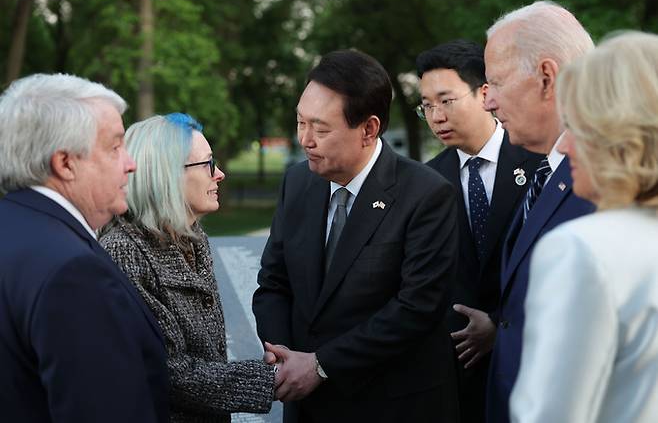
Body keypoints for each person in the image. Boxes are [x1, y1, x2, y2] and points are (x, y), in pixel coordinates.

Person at [252, 49, 459, 423]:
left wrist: (319, 366)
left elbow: (415, 309)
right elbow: (273, 283)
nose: (305, 139)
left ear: (369, 129)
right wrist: (283, 356)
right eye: (300, 122)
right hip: (307, 406)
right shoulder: (298, 183)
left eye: (320, 127)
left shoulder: (427, 195)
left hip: (391, 405)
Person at [0, 74, 169, 422]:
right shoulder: (72, 272)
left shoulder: (15, 227)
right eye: (114, 147)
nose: (131, 163)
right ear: (65, 164)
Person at [511, 30, 658, 423]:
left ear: (620, 134)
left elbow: (549, 414)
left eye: (578, 125)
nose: (563, 146)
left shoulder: (583, 249)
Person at [100, 113, 276, 423]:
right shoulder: (123, 250)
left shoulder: (191, 236)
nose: (219, 174)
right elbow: (169, 372)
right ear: (167, 174)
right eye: (208, 164)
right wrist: (271, 379)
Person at [482, 1, 596, 423]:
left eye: (495, 82)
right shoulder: (545, 169)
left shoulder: (604, 181)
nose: (488, 101)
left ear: (546, 78)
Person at [417, 39, 542, 423]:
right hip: (456, 373)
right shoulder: (426, 180)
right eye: (426, 106)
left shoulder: (539, 165)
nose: (436, 115)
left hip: (530, 360)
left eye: (446, 100)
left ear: (484, 92)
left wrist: (499, 323)